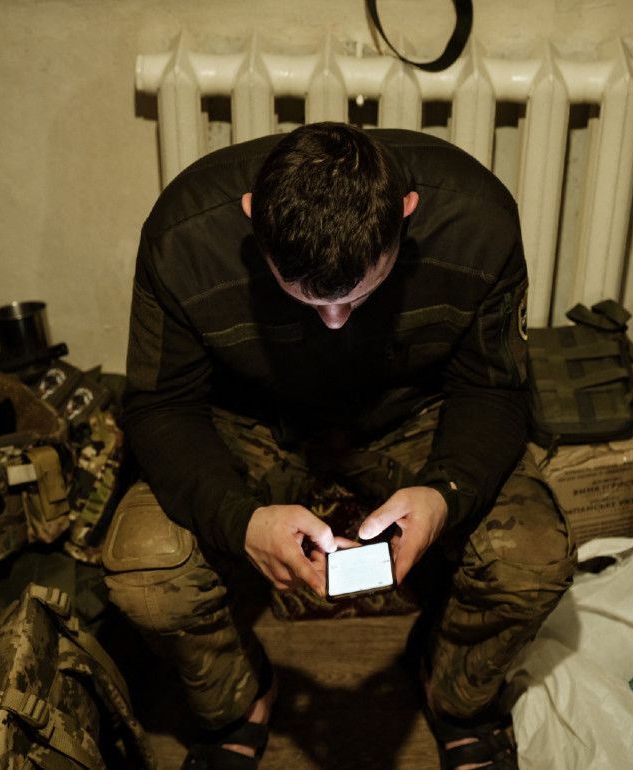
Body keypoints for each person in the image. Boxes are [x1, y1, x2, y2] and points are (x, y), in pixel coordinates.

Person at [104, 122, 577, 770]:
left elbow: (493, 390)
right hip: (252, 419)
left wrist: (446, 494)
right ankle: (241, 704)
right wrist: (239, 521)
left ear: (407, 213)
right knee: (147, 571)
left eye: (360, 295)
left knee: (532, 559)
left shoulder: (478, 220)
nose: (333, 321)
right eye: (306, 298)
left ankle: (453, 693)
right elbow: (161, 406)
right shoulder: (184, 234)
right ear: (251, 217)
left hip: (412, 411)